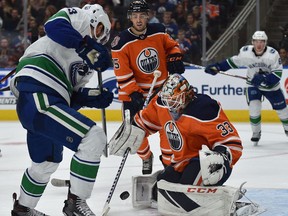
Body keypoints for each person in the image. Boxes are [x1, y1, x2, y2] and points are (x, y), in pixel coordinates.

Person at [9, 4, 113, 216]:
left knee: (46, 162)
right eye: (100, 29)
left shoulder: (87, 66)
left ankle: (23, 208)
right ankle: (76, 204)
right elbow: (53, 26)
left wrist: (92, 97)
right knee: (93, 137)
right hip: (38, 89)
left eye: (103, 36)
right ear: (96, 19)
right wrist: (87, 47)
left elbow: (70, 100)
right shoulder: (80, 17)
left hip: (42, 101)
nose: (99, 36)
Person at [109, 73, 243, 214]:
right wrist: (132, 131)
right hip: (181, 162)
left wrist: (220, 157)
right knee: (159, 192)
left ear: (187, 95)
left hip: (206, 164)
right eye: (167, 101)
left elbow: (232, 143)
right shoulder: (161, 104)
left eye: (174, 101)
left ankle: (221, 202)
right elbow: (144, 122)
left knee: (184, 194)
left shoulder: (204, 109)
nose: (170, 106)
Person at [111, 0, 184, 175]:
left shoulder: (158, 30)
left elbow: (172, 46)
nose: (138, 20)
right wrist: (134, 92)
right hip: (134, 93)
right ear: (130, 18)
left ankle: (168, 163)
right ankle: (146, 157)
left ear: (147, 16)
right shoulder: (120, 42)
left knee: (168, 128)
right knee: (134, 133)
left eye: (142, 16)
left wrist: (175, 56)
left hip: (161, 90)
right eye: (135, 16)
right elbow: (122, 73)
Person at [205, 31, 288, 145]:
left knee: (283, 111)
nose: (259, 44)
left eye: (262, 42)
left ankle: (287, 128)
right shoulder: (246, 53)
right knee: (254, 109)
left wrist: (263, 78)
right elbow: (232, 62)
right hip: (252, 85)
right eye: (256, 41)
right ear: (252, 42)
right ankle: (256, 132)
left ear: (266, 43)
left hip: (271, 87)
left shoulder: (273, 54)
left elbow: (277, 75)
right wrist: (218, 66)